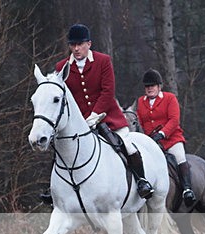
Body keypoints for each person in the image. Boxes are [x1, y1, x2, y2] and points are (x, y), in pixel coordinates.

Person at [41, 23, 154, 205]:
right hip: (77, 123)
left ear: (89, 44)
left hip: (108, 118)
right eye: (73, 45)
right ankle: (52, 188)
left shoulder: (103, 61)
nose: (76, 49)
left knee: (128, 145)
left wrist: (93, 116)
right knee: (60, 149)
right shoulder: (61, 66)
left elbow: (108, 92)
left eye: (80, 44)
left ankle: (142, 181)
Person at [136, 69, 196, 208]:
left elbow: (174, 120)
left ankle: (187, 189)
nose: (149, 88)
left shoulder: (170, 98)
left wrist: (162, 134)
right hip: (151, 142)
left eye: (152, 85)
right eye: (147, 86)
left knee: (180, 157)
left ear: (159, 86)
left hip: (171, 139)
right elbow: (139, 121)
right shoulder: (140, 102)